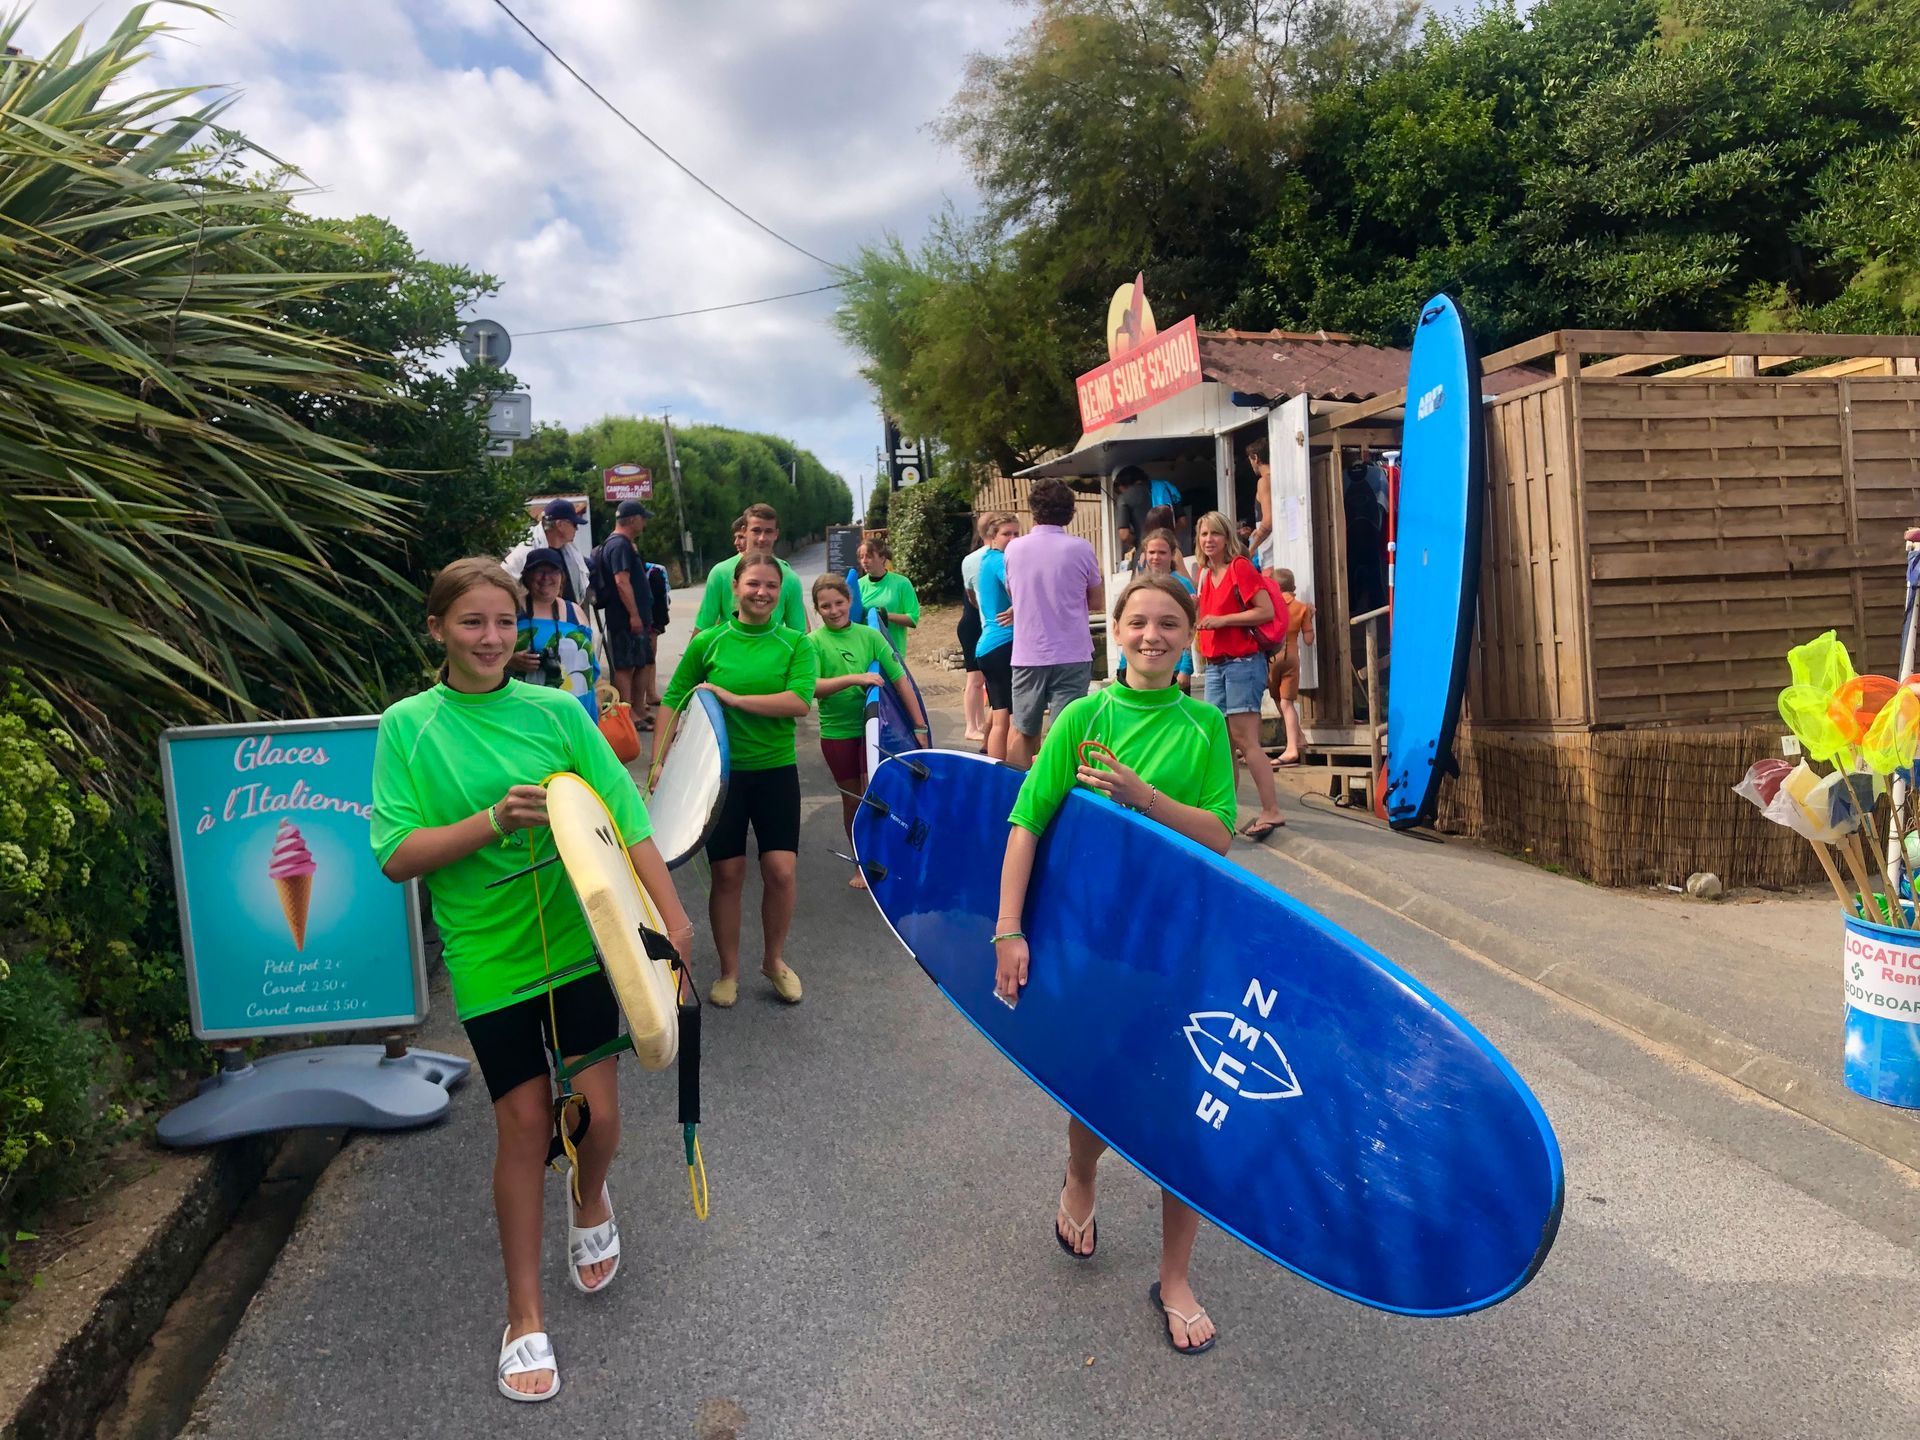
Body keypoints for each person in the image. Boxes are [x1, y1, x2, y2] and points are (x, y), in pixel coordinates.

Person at [371, 557, 695, 1403]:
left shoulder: (555, 710)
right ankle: (524, 1315)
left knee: (605, 1119)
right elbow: (395, 855)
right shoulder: (408, 727)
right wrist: (488, 822)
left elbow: (622, 816)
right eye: (473, 623)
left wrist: (672, 924)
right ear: (438, 628)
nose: (491, 639)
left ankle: (588, 1198)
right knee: (522, 1126)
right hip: (487, 954)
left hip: (583, 945)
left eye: (504, 623)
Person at [992, 573, 1235, 1356]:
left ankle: (1174, 1277)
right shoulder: (1084, 715)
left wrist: (1144, 798)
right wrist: (1008, 930)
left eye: (1168, 622)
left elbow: (1222, 836)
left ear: (1190, 634)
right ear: (1115, 631)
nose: (1152, 634)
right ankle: (1082, 1174)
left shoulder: (1203, 727)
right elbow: (1028, 821)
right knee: (1098, 1095)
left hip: (1176, 946)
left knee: (1180, 1117)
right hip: (1094, 943)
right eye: (1138, 621)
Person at [652, 552, 816, 1006]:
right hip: (717, 778)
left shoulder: (795, 644)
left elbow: (799, 702)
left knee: (780, 871)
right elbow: (671, 698)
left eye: (771, 586)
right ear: (735, 588)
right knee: (727, 874)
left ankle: (774, 960)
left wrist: (732, 698)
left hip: (775, 771)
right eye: (753, 584)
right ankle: (728, 971)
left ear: (780, 593)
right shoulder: (709, 642)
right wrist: (659, 762)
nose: (762, 592)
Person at [807, 574, 928, 889]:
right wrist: (855, 679)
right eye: (826, 606)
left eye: (839, 603)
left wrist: (919, 725)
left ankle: (891, 855)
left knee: (881, 794)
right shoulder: (812, 643)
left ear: (850, 601)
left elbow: (900, 679)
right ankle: (862, 862)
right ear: (817, 609)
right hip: (837, 733)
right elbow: (812, 689)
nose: (834, 610)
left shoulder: (870, 636)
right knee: (855, 802)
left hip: (875, 729)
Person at [1194, 510, 1286, 840]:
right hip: (1216, 664)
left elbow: (1265, 611)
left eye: (1214, 534)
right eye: (1204, 534)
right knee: (1223, 743)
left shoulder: (1239, 568)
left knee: (1246, 740)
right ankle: (1225, 810)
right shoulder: (1204, 575)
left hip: (1243, 662)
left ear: (1226, 537)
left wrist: (1223, 621)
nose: (1208, 540)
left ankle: (1271, 809)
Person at [1005, 478, 1102, 770]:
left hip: (1028, 653)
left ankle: (1016, 797)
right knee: (1062, 733)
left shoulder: (1013, 549)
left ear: (1033, 510)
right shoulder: (1081, 548)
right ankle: (1054, 798)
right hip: (1072, 652)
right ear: (1070, 512)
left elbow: (1015, 594)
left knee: (1023, 730)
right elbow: (1096, 602)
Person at [509, 548, 601, 721]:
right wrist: (511, 661)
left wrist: (596, 695)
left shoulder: (574, 611)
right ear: (527, 576)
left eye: (552, 571)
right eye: (539, 572)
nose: (546, 578)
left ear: (562, 577)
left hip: (577, 709)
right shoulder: (512, 610)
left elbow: (589, 662)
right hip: (530, 710)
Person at [694, 502, 808, 634]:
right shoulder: (720, 573)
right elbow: (703, 626)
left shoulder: (790, 578)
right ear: (744, 531)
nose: (762, 538)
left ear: (776, 534)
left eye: (768, 531)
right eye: (756, 530)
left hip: (773, 653)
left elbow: (800, 633)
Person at [1118, 529, 1195, 691]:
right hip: (1139, 668)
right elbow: (1130, 628)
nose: (1156, 557)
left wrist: (1186, 668)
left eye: (1162, 552)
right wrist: (1122, 665)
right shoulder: (1138, 586)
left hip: (1174, 668)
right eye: (1151, 552)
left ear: (1172, 554)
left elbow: (1190, 628)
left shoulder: (1183, 585)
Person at [594, 500, 651, 714]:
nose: (644, 523)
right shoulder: (619, 545)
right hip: (625, 618)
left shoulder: (621, 544)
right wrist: (634, 615)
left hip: (631, 618)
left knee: (640, 663)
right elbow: (621, 581)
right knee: (626, 666)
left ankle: (637, 712)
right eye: (643, 518)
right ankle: (627, 716)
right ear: (633, 519)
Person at [972, 511, 1020, 761]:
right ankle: (1007, 773)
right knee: (1011, 720)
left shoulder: (987, 559)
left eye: (1016, 533)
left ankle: (993, 769)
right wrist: (1020, 604)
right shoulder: (1000, 561)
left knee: (999, 714)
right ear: (992, 536)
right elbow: (1016, 588)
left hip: (988, 646)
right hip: (1003, 643)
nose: (1012, 539)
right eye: (1006, 534)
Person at [1268, 568, 1316, 768]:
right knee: (1288, 702)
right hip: (1292, 658)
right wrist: (1309, 618)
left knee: (1279, 700)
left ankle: (1291, 748)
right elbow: (1308, 639)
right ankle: (1298, 738)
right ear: (1293, 587)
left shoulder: (1270, 606)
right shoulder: (1302, 607)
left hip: (1272, 658)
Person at [505, 499, 592, 605]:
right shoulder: (526, 550)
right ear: (560, 525)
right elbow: (503, 580)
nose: (577, 529)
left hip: (566, 617)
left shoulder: (569, 552)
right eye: (574, 524)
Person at [857, 538, 920, 656]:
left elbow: (913, 619)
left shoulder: (902, 583)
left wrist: (887, 616)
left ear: (882, 558)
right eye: (861, 557)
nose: (864, 561)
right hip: (866, 653)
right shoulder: (858, 585)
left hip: (893, 653)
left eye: (869, 556)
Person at [959, 528, 989, 742]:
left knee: (979, 680)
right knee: (975, 679)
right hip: (972, 626)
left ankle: (978, 724)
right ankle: (971, 726)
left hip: (972, 625)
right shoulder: (977, 564)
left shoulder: (974, 564)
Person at [1243, 438, 1273, 572]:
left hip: (1270, 553)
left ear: (1255, 458)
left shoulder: (1264, 481)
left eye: (1250, 460)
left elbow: (1268, 521)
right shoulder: (1279, 477)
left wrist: (1252, 548)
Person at [1112, 464, 1153, 559]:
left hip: (1144, 552)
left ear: (1121, 484)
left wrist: (1137, 541)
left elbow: (1124, 535)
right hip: (1169, 549)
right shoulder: (1162, 488)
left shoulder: (1124, 498)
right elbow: (1182, 521)